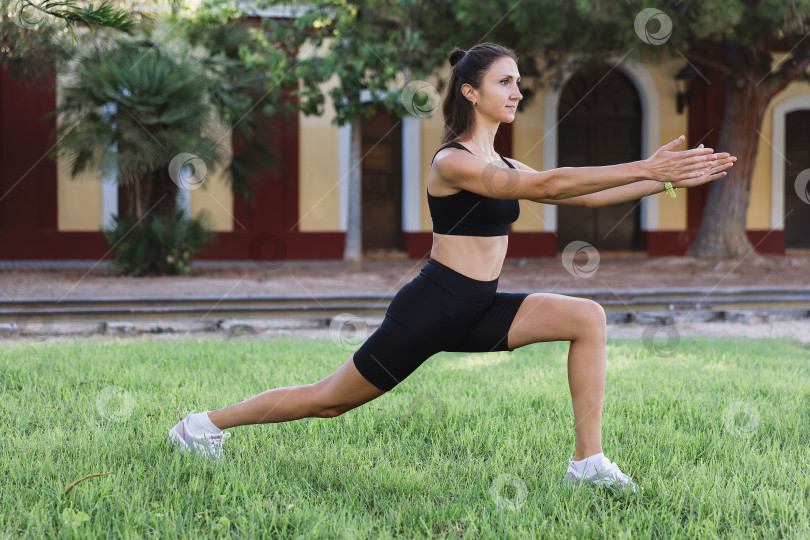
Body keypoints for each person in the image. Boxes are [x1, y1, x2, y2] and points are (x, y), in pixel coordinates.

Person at [168, 43, 736, 492]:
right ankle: (202, 426)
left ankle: (588, 461)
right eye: (504, 81)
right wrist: (646, 162)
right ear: (471, 91)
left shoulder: (500, 159)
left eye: (518, 81)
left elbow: (577, 200)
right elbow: (548, 184)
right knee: (329, 401)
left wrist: (664, 179)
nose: (517, 90)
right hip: (434, 307)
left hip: (480, 306)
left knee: (587, 317)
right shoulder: (454, 162)